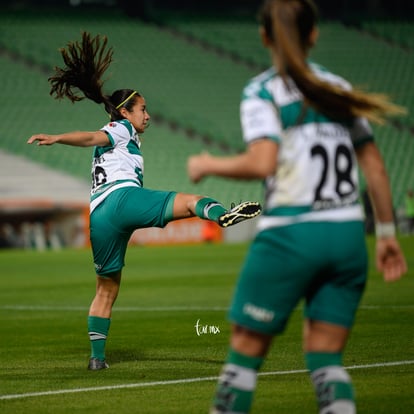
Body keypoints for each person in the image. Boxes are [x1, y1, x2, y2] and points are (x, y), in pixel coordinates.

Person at [187, 1, 408, 412]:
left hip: (291, 235)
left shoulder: (262, 91)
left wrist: (205, 164)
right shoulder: (338, 89)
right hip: (347, 237)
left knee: (244, 355)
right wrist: (388, 235)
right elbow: (375, 168)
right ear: (314, 35)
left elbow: (262, 162)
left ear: (264, 37)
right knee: (326, 359)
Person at [27, 32, 262, 371]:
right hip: (123, 201)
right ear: (126, 111)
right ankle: (222, 214)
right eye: (143, 109)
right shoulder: (121, 128)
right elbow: (93, 136)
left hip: (100, 217)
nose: (148, 115)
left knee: (106, 290)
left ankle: (97, 360)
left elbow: (98, 142)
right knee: (194, 199)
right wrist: (57, 138)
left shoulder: (122, 139)